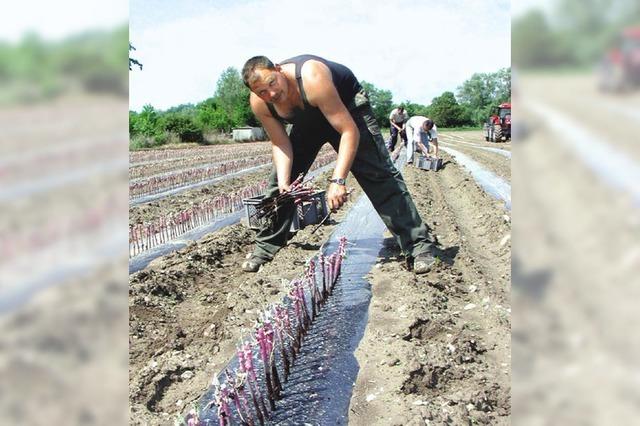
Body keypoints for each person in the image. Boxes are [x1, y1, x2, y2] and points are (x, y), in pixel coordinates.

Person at [240, 54, 436, 274]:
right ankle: (267, 246)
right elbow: (280, 144)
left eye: (272, 83)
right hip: (308, 121)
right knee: (279, 189)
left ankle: (418, 245)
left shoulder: (312, 77)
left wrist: (338, 180)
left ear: (278, 69)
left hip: (348, 110)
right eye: (262, 92)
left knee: (379, 176)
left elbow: (348, 130)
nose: (271, 94)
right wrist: (286, 182)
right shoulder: (260, 104)